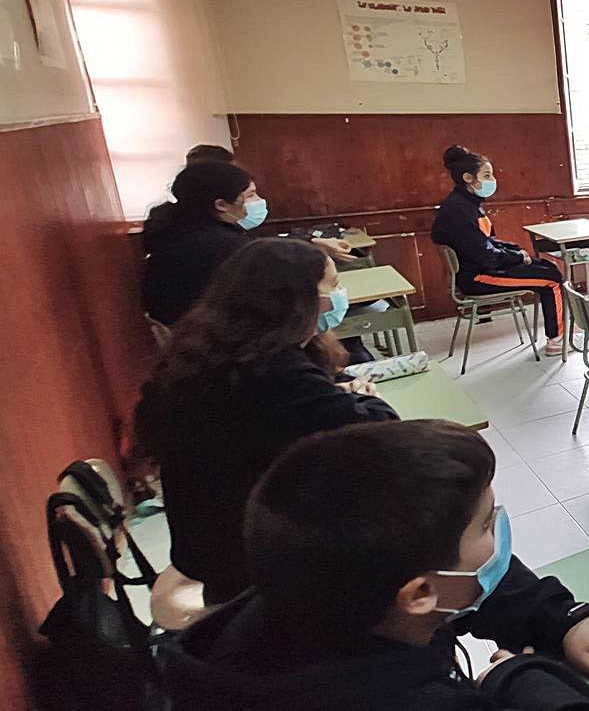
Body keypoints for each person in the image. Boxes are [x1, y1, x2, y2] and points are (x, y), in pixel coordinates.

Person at [158, 420, 589, 710]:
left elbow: (466, 586)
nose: (499, 532)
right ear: (419, 595)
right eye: (484, 527)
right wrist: (518, 673)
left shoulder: (300, 600)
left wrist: (562, 620)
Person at [134, 238, 399, 604]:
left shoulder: (213, 350)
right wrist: (365, 399)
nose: (340, 294)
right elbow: (380, 429)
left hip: (214, 546)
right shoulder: (272, 371)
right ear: (298, 299)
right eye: (333, 285)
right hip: (253, 565)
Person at [141, 160, 357, 326]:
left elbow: (260, 246)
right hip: (221, 347)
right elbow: (262, 260)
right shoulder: (218, 246)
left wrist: (312, 242)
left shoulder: (184, 231)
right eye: (251, 195)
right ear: (222, 205)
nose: (259, 201)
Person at [432, 145, 566, 357]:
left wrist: (516, 252)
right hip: (478, 277)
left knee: (548, 266)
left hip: (483, 267)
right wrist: (517, 257)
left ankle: (554, 331)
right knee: (551, 278)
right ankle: (557, 340)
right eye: (486, 175)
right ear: (468, 178)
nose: (492, 180)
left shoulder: (468, 203)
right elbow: (486, 255)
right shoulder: (458, 210)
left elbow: (487, 241)